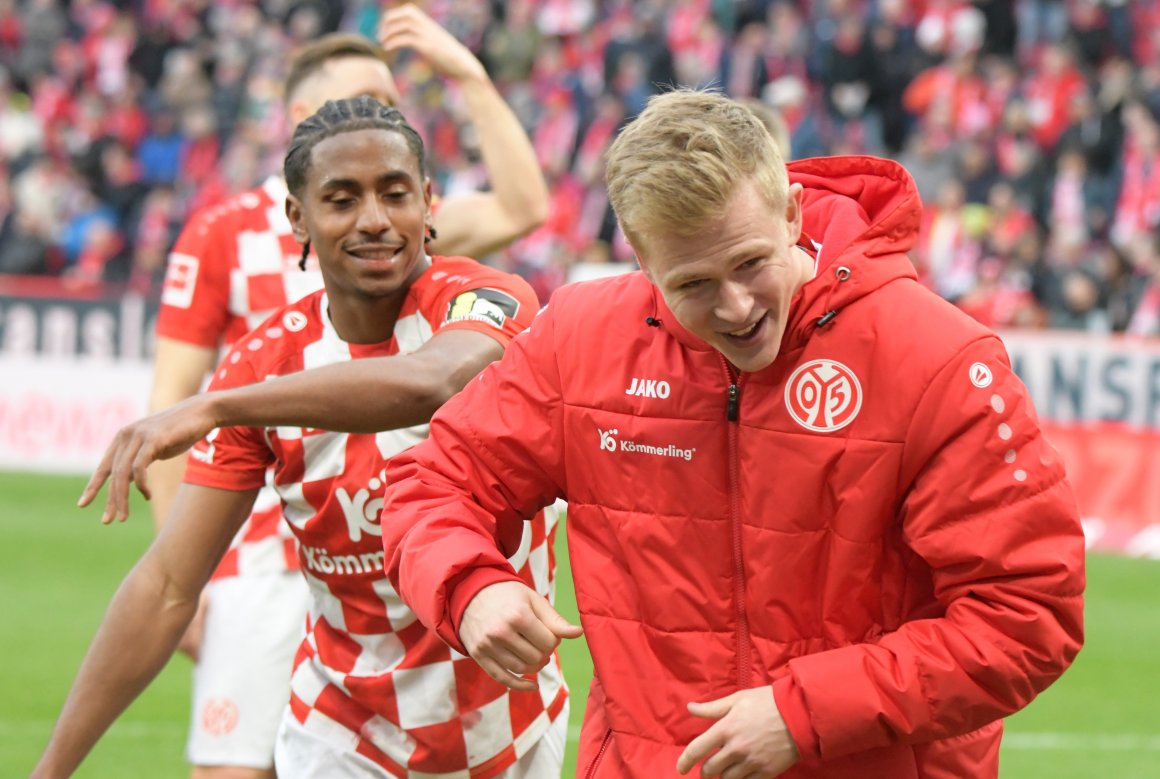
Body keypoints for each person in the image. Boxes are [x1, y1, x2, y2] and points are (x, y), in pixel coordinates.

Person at [375, 89, 1086, 778]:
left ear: (791, 212)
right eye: (693, 284)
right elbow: (433, 483)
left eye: (750, 263)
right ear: (642, 263)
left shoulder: (935, 357)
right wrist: (470, 588)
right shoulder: (578, 340)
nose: (737, 306)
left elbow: (1028, 613)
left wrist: (805, 712)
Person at [36, 97, 568, 779]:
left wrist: (214, 405)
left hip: (512, 731)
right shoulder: (265, 364)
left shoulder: (487, 299)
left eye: (395, 193)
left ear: (429, 203)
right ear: (299, 218)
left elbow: (429, 379)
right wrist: (50, 769)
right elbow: (168, 583)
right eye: (342, 199)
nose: (374, 219)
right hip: (344, 738)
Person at [144, 8, 549, 778]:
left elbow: (521, 209)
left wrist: (468, 74)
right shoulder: (221, 230)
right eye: (372, 96)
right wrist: (191, 571)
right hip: (262, 542)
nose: (389, 116)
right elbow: (175, 397)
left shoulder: (392, 217)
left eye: (395, 106)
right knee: (235, 764)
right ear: (304, 117)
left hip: (397, 532)